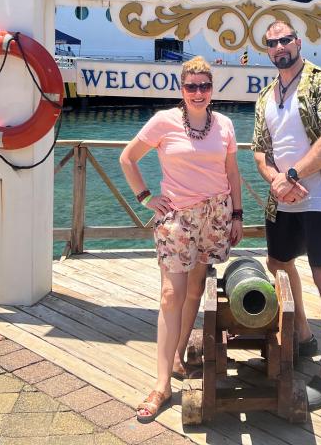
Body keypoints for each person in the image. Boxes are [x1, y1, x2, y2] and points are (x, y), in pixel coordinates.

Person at [119, 56, 243, 423]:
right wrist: (145, 198)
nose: (199, 92)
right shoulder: (164, 122)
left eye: (205, 86)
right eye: (192, 87)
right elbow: (128, 159)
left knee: (194, 290)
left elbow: (232, 172)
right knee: (170, 294)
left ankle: (176, 358)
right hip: (176, 219)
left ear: (212, 88)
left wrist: (237, 214)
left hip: (216, 214)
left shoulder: (225, 125)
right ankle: (161, 385)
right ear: (181, 89)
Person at [251, 20, 321, 410]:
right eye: (272, 43)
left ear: (298, 41)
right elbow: (260, 149)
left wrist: (293, 174)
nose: (280, 48)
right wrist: (276, 178)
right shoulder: (265, 96)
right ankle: (305, 335)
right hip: (283, 199)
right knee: (277, 263)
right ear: (268, 51)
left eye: (285, 40)